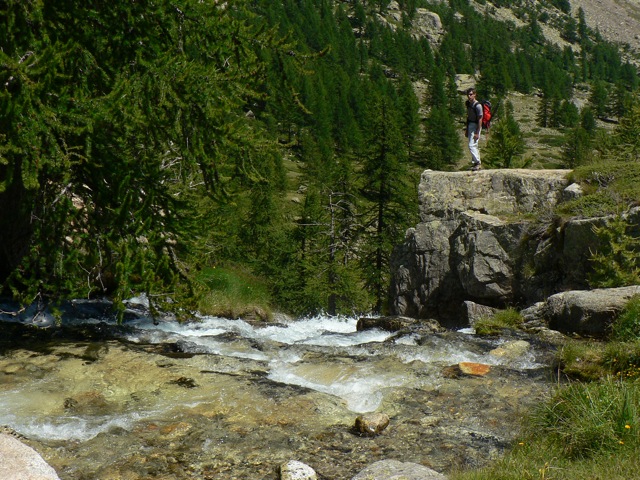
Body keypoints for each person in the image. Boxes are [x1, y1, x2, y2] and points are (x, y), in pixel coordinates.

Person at [465, 87, 483, 171]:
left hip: (476, 125)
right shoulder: (468, 104)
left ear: (475, 94)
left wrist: (477, 132)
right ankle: (476, 163)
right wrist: (467, 128)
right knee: (474, 145)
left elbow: (480, 119)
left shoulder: (478, 106)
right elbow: (468, 117)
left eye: (471, 94)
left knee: (471, 145)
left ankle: (478, 162)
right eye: (468, 94)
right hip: (470, 125)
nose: (469, 96)